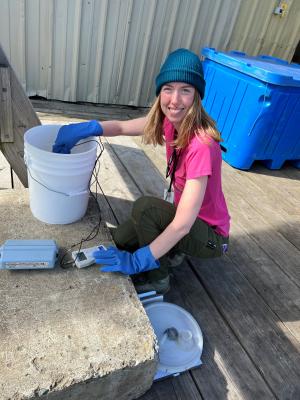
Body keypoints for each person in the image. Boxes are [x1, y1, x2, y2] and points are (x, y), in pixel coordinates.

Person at [53, 48, 230, 294]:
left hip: (210, 237)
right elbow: (123, 127)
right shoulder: (170, 122)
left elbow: (181, 225)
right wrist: (88, 127)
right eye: (168, 89)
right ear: (160, 93)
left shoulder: (202, 145)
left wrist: (139, 261)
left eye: (185, 90)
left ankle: (158, 277)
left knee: (146, 209)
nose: (175, 100)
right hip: (187, 218)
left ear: (197, 96)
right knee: (121, 239)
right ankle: (171, 250)